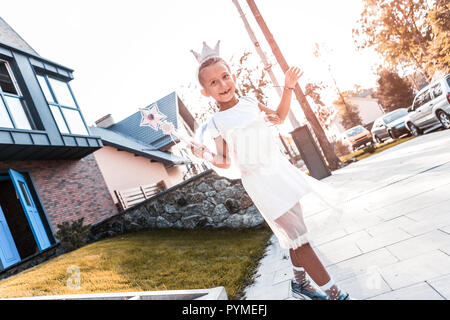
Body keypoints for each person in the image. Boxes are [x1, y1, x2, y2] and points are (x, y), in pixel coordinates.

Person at [189, 42, 351, 300]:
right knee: (299, 237)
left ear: (233, 76)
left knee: (297, 235)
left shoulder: (251, 102)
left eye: (225, 77)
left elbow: (279, 117)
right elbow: (223, 161)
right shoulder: (217, 123)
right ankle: (335, 294)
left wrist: (287, 88)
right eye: (214, 83)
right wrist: (204, 154)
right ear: (205, 92)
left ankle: (300, 285)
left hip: (279, 170)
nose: (223, 85)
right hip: (259, 181)